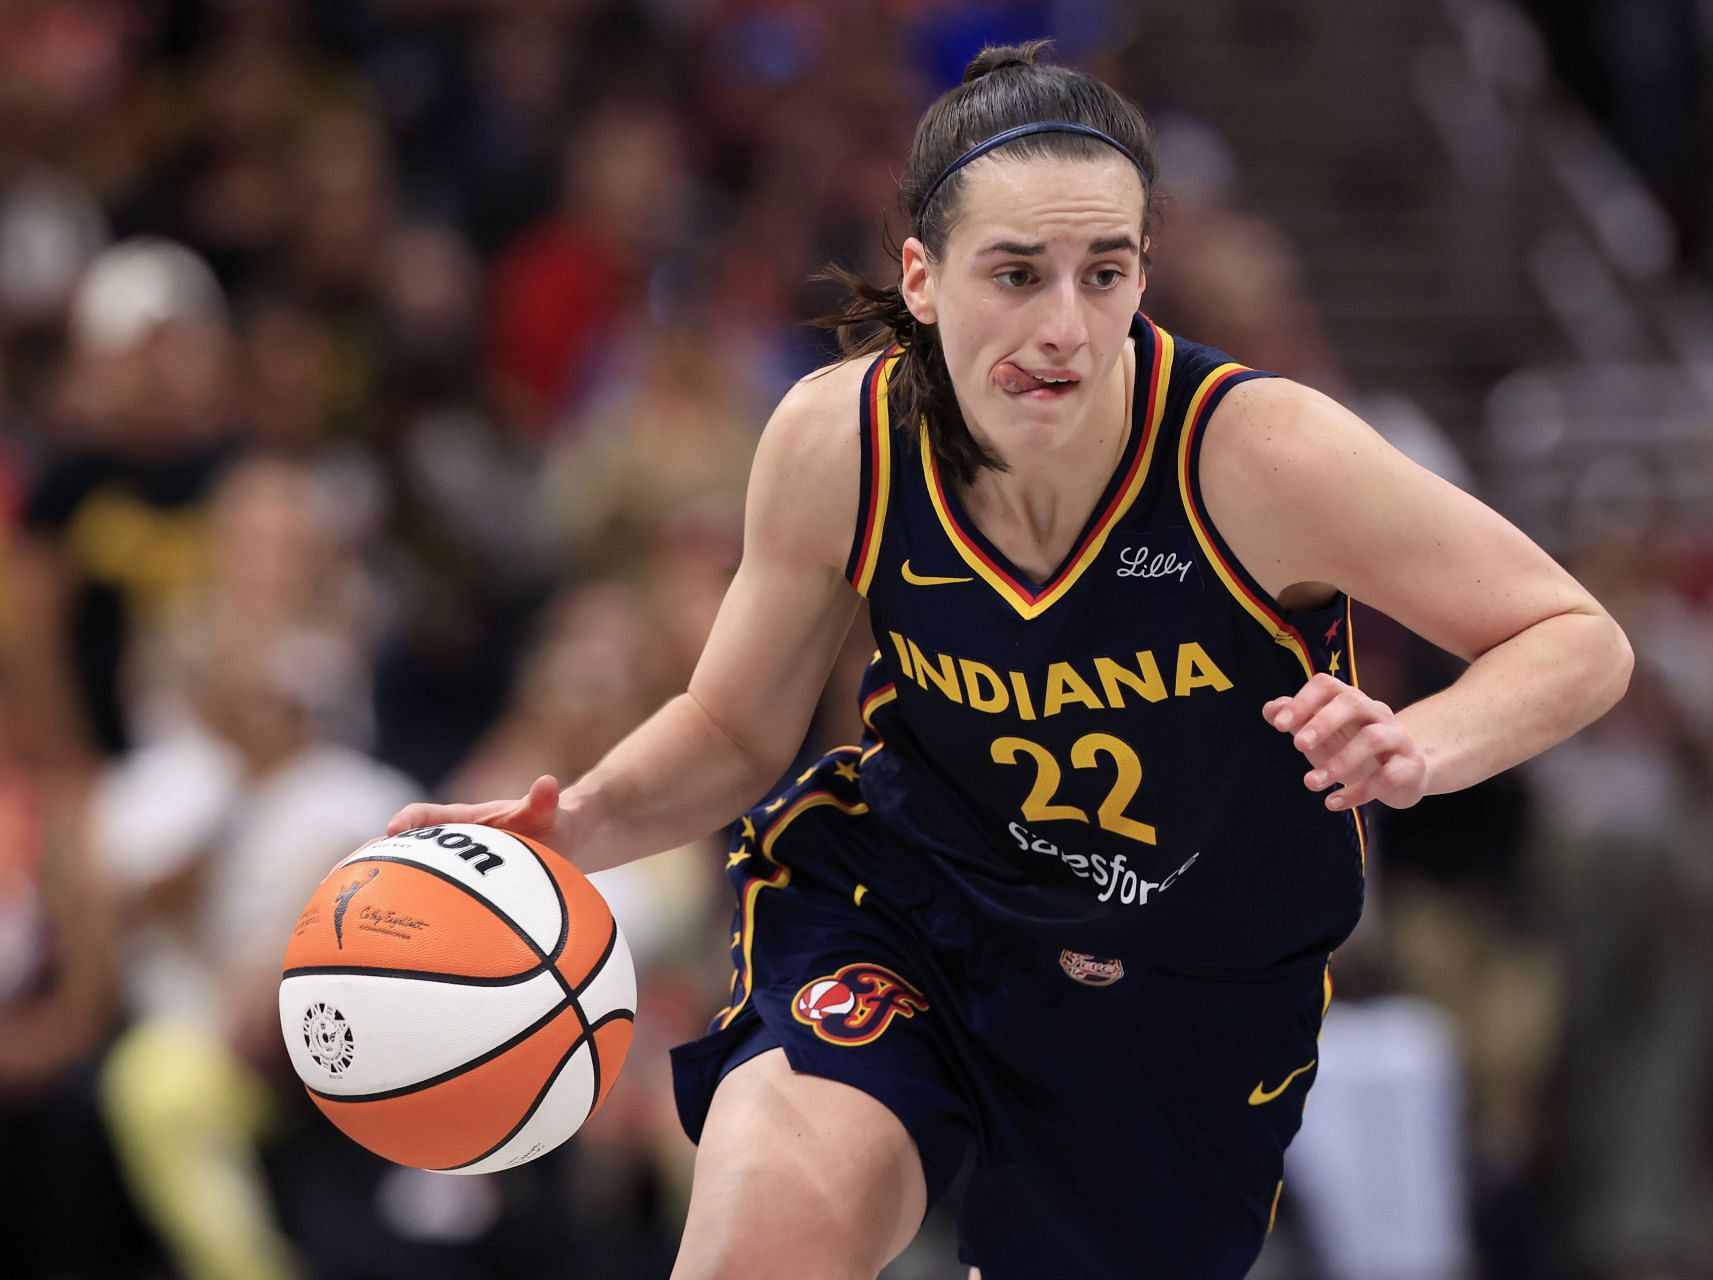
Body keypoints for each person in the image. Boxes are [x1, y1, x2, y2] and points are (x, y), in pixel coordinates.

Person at [390, 43, 1633, 1280]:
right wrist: (581, 823)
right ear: (923, 279)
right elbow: (733, 729)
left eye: (1106, 273)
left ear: (1148, 269)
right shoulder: (843, 440)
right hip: (916, 909)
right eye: (1017, 273)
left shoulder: (1260, 454)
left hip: (1183, 990)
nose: (1065, 327)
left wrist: (1427, 745)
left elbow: (1576, 636)